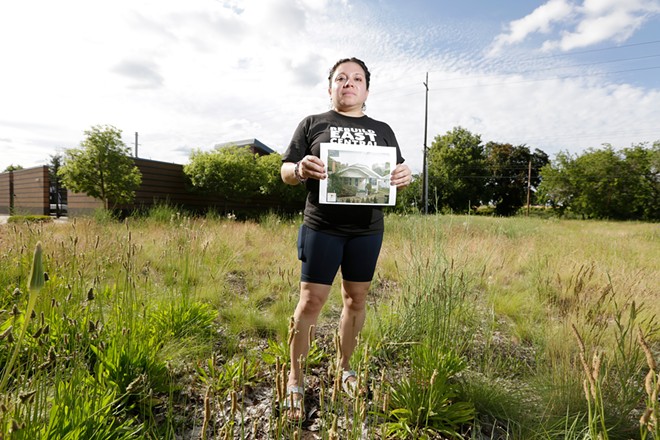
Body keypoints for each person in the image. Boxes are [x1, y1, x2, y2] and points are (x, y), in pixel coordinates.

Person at [280, 57, 412, 422]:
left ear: (366, 89)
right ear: (330, 87)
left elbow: (397, 170)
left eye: (356, 78)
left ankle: (345, 368)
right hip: (322, 225)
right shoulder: (313, 124)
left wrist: (404, 174)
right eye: (341, 78)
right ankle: (294, 380)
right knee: (310, 301)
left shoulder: (383, 129)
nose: (348, 83)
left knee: (356, 298)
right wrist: (299, 168)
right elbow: (285, 170)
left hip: (367, 228)